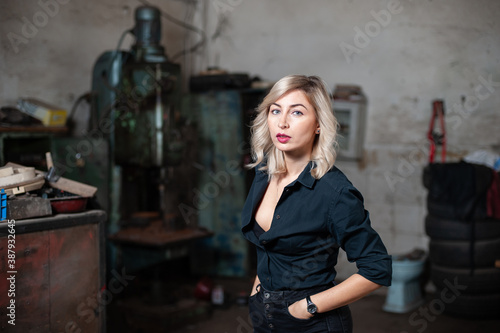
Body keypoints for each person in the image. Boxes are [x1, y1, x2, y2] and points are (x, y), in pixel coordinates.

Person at [241, 75, 392, 333]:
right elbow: (266, 246)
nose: (283, 122)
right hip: (263, 317)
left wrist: (307, 307)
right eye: (275, 110)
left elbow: (377, 269)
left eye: (297, 112)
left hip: (312, 324)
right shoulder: (264, 173)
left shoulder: (335, 192)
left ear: (319, 124)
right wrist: (258, 291)